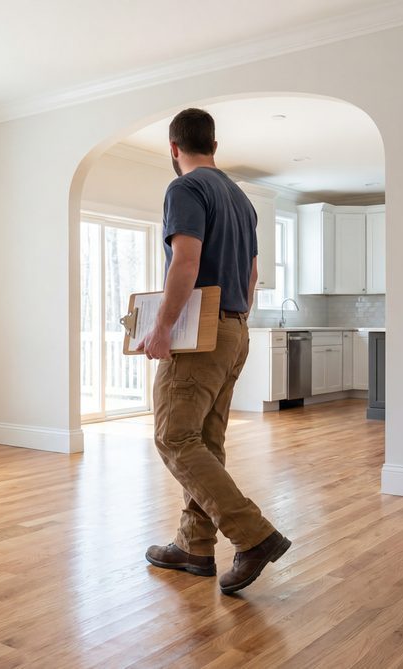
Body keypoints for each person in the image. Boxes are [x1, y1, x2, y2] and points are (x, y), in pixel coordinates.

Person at [136, 108, 290, 595]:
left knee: (173, 437)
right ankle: (194, 545)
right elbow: (251, 275)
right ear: (214, 147)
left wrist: (161, 328)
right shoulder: (240, 198)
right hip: (236, 328)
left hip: (200, 334)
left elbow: (186, 259)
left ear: (173, 148)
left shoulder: (185, 188)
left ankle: (254, 534)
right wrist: (235, 320)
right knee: (205, 439)